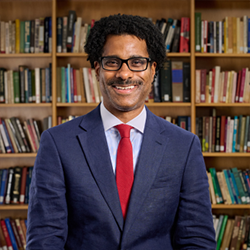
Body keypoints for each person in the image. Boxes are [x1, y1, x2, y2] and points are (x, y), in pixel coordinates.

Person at [26, 14, 216, 250]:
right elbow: (45, 240)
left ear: (152, 70)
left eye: (137, 62)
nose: (124, 74)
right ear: (97, 69)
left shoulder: (184, 146)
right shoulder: (57, 143)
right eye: (113, 62)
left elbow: (196, 239)